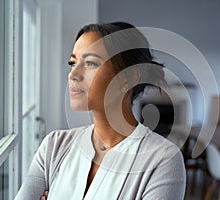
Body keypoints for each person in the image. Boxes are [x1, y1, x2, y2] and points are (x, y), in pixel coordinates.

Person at [15, 22, 186, 200]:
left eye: (90, 63)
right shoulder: (54, 146)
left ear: (128, 78)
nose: (73, 74)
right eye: (73, 63)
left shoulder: (163, 161)